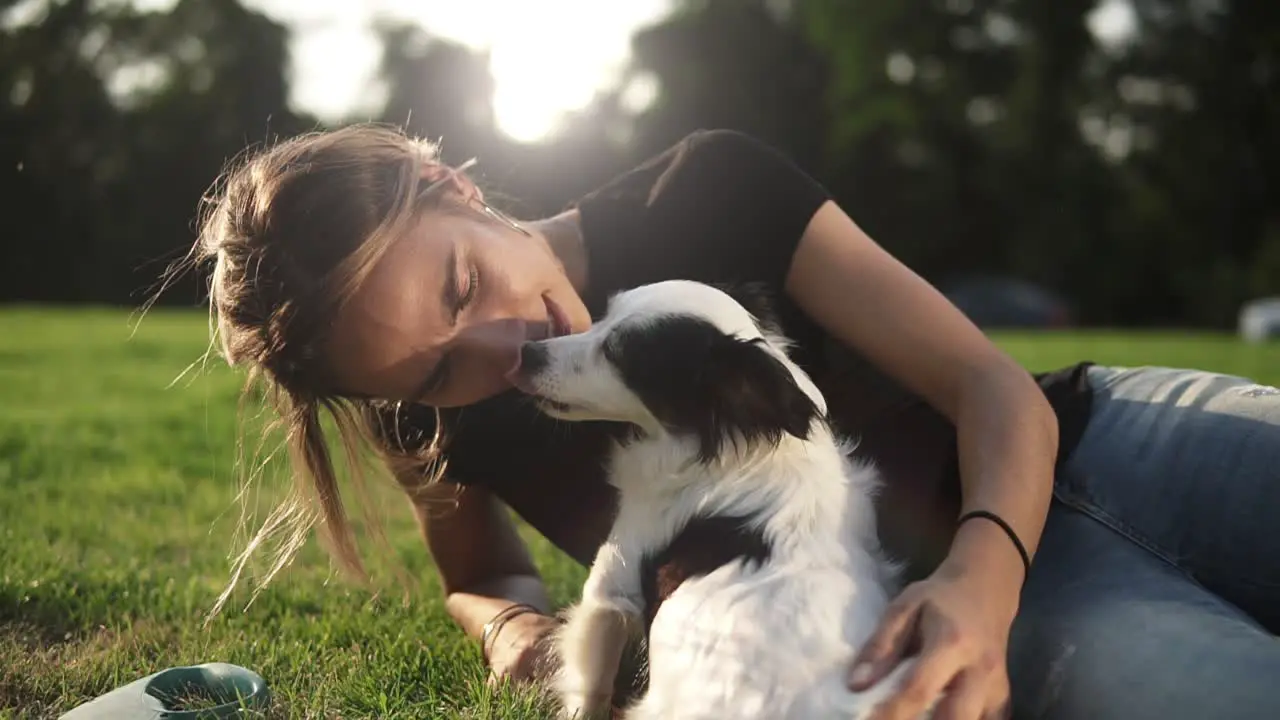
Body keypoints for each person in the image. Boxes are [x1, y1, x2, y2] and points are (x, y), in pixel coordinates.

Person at [188, 123, 1280, 720]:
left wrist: (979, 588)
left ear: (452, 187)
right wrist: (514, 631)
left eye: (463, 287)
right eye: (428, 374)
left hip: (1091, 440)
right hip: (954, 619)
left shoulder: (702, 188)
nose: (499, 354)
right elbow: (482, 579)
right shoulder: (441, 422)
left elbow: (987, 385)